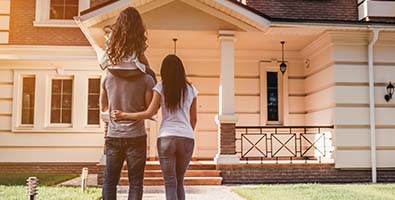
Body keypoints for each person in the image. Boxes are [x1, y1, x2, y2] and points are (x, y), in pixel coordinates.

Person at [112, 54, 198, 200]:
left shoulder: (160, 87)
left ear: (164, 71)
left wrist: (124, 115)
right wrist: (186, 133)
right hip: (187, 138)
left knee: (170, 183)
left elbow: (149, 113)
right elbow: (194, 119)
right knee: (179, 182)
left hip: (166, 138)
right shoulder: (191, 89)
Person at [100, 7, 155, 200]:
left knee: (109, 182)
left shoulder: (107, 77)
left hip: (114, 135)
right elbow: (150, 108)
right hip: (136, 136)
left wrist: (117, 114)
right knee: (136, 182)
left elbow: (103, 109)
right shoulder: (147, 79)